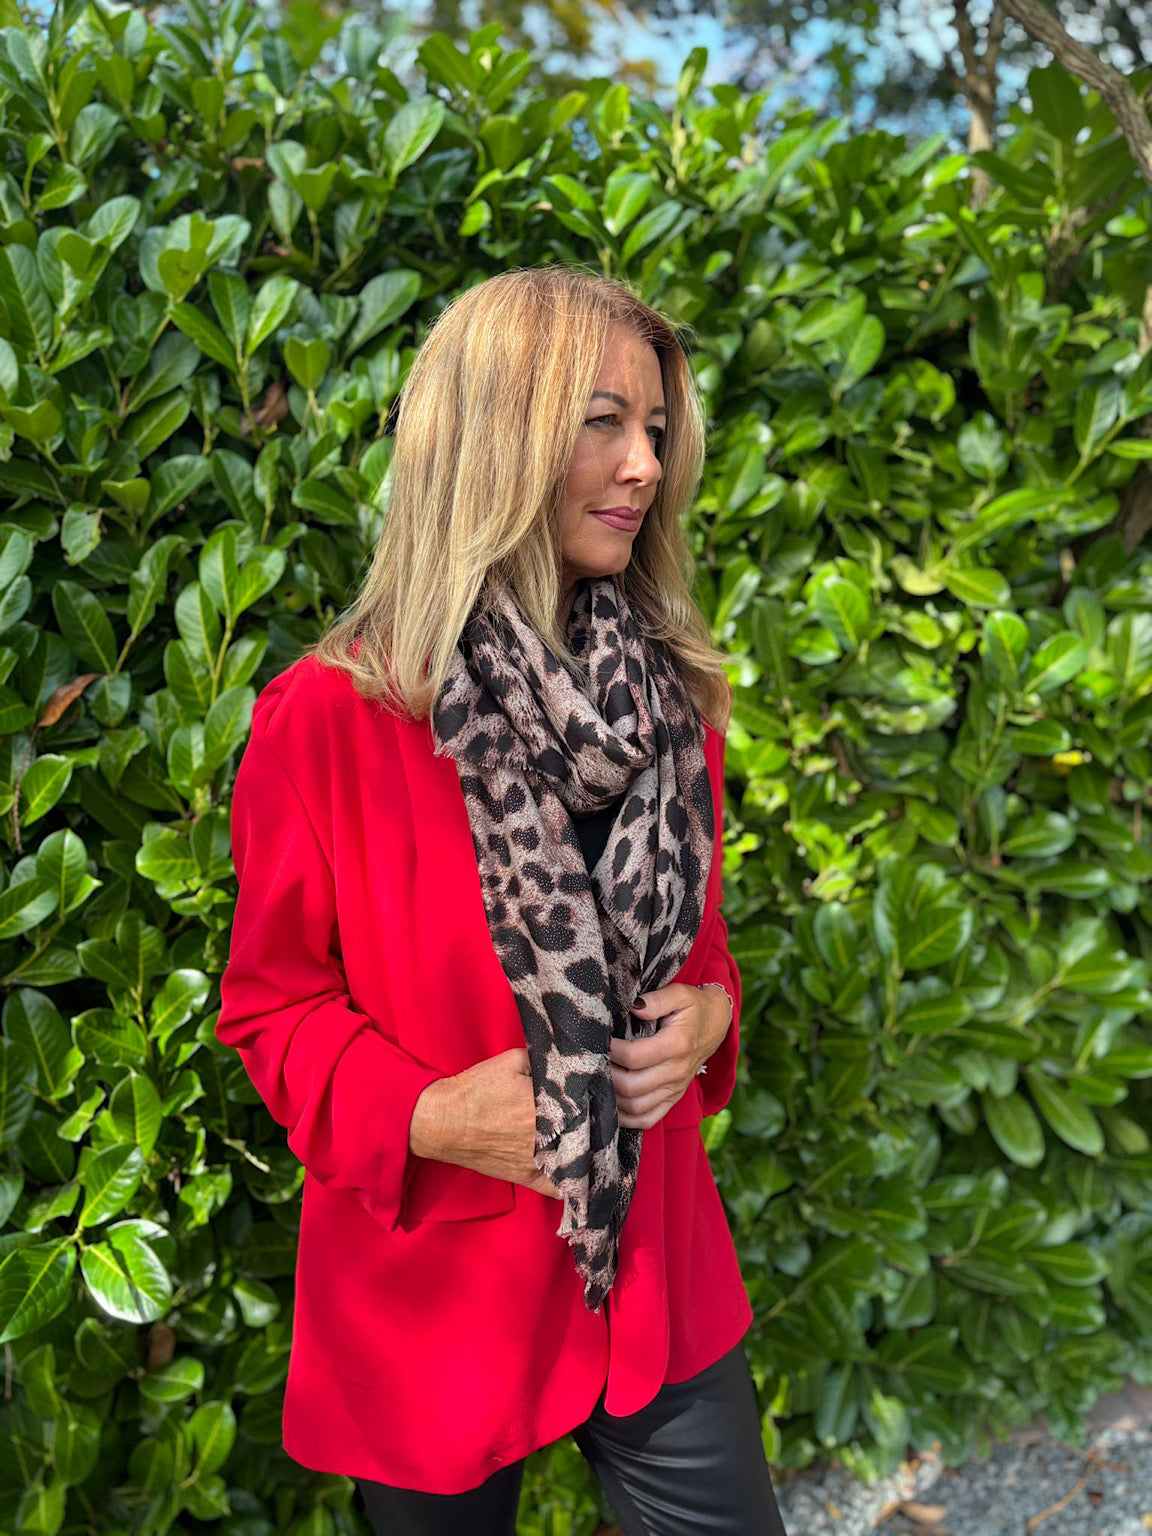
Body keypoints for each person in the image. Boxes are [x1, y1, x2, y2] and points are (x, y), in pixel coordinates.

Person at [215, 264, 789, 1534]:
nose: (645, 466)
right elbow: (271, 1008)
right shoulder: (331, 718)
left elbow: (700, 956)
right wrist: (424, 1113)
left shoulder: (675, 701)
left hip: (655, 1273)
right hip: (437, 1299)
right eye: (603, 422)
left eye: (655, 429)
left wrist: (708, 1019)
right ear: (495, 437)